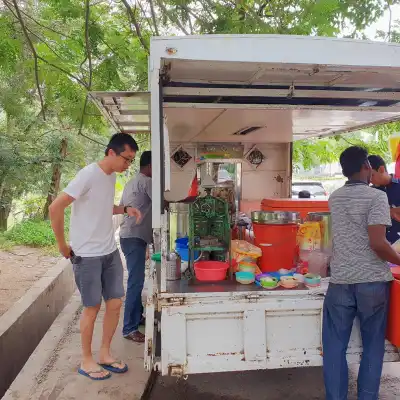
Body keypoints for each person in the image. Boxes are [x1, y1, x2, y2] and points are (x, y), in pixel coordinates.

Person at [49, 133, 142, 381]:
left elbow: (101, 206)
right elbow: (55, 207)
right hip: (87, 255)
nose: (128, 165)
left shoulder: (111, 177)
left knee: (115, 303)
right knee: (92, 307)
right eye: (127, 159)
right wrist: (62, 245)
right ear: (111, 152)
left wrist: (124, 209)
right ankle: (86, 360)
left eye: (131, 161)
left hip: (109, 251)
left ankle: (104, 354)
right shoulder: (88, 174)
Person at [323, 146, 400, 400]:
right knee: (372, 347)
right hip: (372, 284)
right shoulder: (376, 198)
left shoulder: (334, 197)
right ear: (366, 166)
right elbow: (378, 243)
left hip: (340, 281)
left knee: (334, 348)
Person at [119, 151, 152, 343]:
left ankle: (137, 317)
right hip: (134, 237)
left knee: (136, 279)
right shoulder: (147, 182)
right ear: (150, 166)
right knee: (135, 282)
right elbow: (162, 203)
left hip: (129, 236)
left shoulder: (132, 182)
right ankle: (129, 328)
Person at [368, 154, 400, 244]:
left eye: (372, 175)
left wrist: (394, 211)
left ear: (381, 169)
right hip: (380, 247)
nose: (369, 180)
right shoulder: (370, 192)